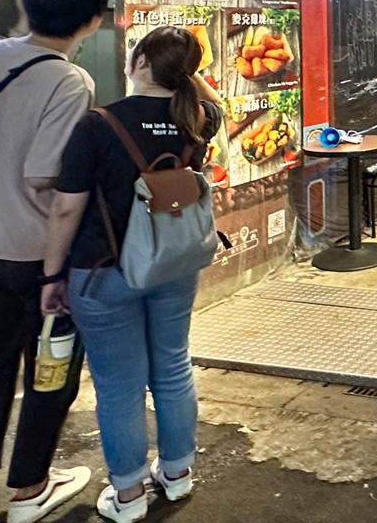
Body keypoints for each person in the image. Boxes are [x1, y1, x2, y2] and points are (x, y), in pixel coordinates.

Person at [0, 0, 110, 523]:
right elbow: (45, 175)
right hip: (39, 253)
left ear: (25, 4)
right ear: (91, 22)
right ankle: (28, 489)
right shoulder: (69, 80)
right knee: (51, 369)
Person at [42, 27, 223, 523]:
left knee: (120, 385)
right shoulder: (198, 119)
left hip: (104, 272)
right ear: (188, 73)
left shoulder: (98, 124)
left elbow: (64, 210)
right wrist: (189, 72)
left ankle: (128, 496)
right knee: (172, 366)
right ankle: (178, 474)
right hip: (173, 265)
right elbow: (215, 104)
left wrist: (51, 276)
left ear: (139, 60)